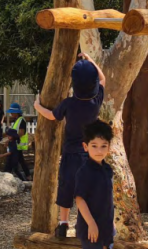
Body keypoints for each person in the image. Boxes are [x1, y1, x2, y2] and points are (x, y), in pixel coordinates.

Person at [34, 53, 105, 239]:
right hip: (89, 154)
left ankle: (63, 224)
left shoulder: (68, 104)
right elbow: (103, 78)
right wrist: (90, 60)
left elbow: (51, 116)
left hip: (70, 154)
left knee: (66, 188)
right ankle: (86, 225)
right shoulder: (95, 103)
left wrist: (37, 107)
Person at [74, 119, 121, 249]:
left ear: (109, 148)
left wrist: (110, 223)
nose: (99, 150)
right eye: (94, 146)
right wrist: (91, 223)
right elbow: (80, 199)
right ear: (86, 146)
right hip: (90, 227)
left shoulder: (107, 169)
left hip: (104, 226)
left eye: (103, 146)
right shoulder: (85, 171)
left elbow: (107, 199)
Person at [7, 102, 31, 180]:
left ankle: (22, 180)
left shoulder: (21, 120)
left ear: (16, 112)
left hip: (18, 144)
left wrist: (13, 137)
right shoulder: (17, 120)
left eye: (12, 112)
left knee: (14, 165)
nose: (11, 114)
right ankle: (28, 176)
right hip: (16, 144)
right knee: (21, 161)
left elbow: (21, 132)